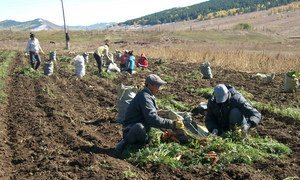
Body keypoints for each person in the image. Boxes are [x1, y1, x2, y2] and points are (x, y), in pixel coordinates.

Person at [115, 74, 184, 154]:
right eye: (157, 86)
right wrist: (172, 124)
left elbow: (153, 117)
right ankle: (132, 145)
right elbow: (152, 119)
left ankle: (144, 141)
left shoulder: (148, 96)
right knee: (139, 128)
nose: (159, 88)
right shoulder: (145, 97)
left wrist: (165, 130)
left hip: (144, 128)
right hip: (131, 131)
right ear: (149, 85)